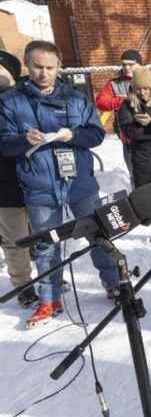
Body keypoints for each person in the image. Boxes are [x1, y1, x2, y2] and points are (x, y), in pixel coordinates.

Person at [0, 41, 120, 329]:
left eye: (50, 67)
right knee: (46, 244)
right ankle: (49, 298)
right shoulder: (11, 100)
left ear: (59, 67)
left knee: (99, 233)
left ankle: (114, 282)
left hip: (79, 182)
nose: (44, 73)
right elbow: (3, 143)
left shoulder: (76, 97)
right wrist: (22, 140)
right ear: (27, 65)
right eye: (38, 67)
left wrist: (73, 135)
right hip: (39, 184)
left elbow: (95, 134)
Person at [95, 49, 151, 185]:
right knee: (137, 177)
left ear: (140, 65)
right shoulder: (115, 83)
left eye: (131, 64)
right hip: (131, 141)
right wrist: (124, 101)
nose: (126, 68)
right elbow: (101, 102)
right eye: (124, 64)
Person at [0, 50, 37, 308]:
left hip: (35, 180)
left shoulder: (27, 99)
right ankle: (23, 285)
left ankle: (46, 276)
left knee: (40, 234)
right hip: (4, 186)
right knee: (15, 239)